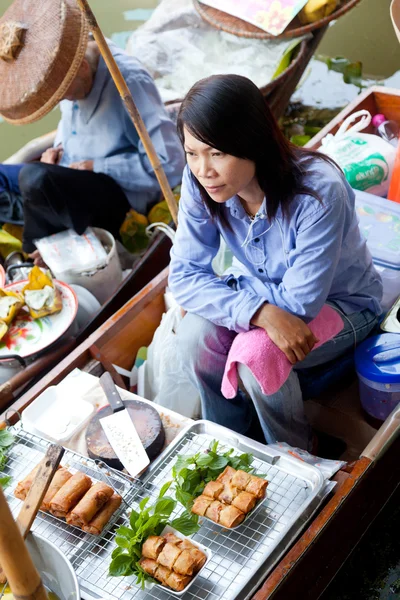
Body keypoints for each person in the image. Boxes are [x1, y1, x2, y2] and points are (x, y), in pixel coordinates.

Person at [168, 74, 383, 450]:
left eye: (217, 153)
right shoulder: (198, 181)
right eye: (192, 152)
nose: (204, 169)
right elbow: (184, 276)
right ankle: (231, 442)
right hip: (266, 301)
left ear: (253, 142)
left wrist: (238, 302)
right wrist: (259, 311)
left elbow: (300, 305)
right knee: (192, 337)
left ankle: (297, 450)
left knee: (256, 356)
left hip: (344, 307)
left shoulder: (319, 192)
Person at [0, 38, 184, 254]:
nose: (63, 100)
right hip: (63, 175)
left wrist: (97, 165)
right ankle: (42, 210)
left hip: (115, 191)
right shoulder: (70, 75)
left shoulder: (129, 82)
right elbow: (68, 124)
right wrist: (56, 150)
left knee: (36, 179)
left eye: (64, 94)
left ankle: (38, 234)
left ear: (84, 68)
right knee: (33, 179)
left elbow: (170, 162)